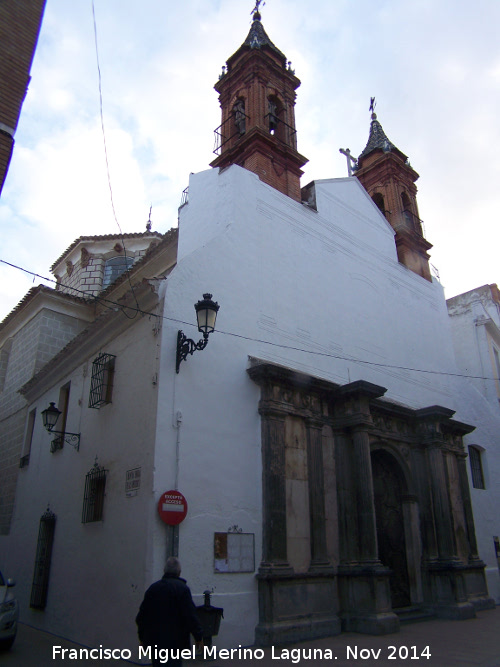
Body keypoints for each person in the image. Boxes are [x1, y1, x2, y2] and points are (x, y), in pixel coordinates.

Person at [136, 557, 203, 666]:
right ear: (179, 572)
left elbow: (142, 616)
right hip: (176, 642)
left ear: (164, 571)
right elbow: (190, 616)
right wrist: (198, 637)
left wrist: (142, 638)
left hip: (156, 641)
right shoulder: (183, 590)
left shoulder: (153, 589)